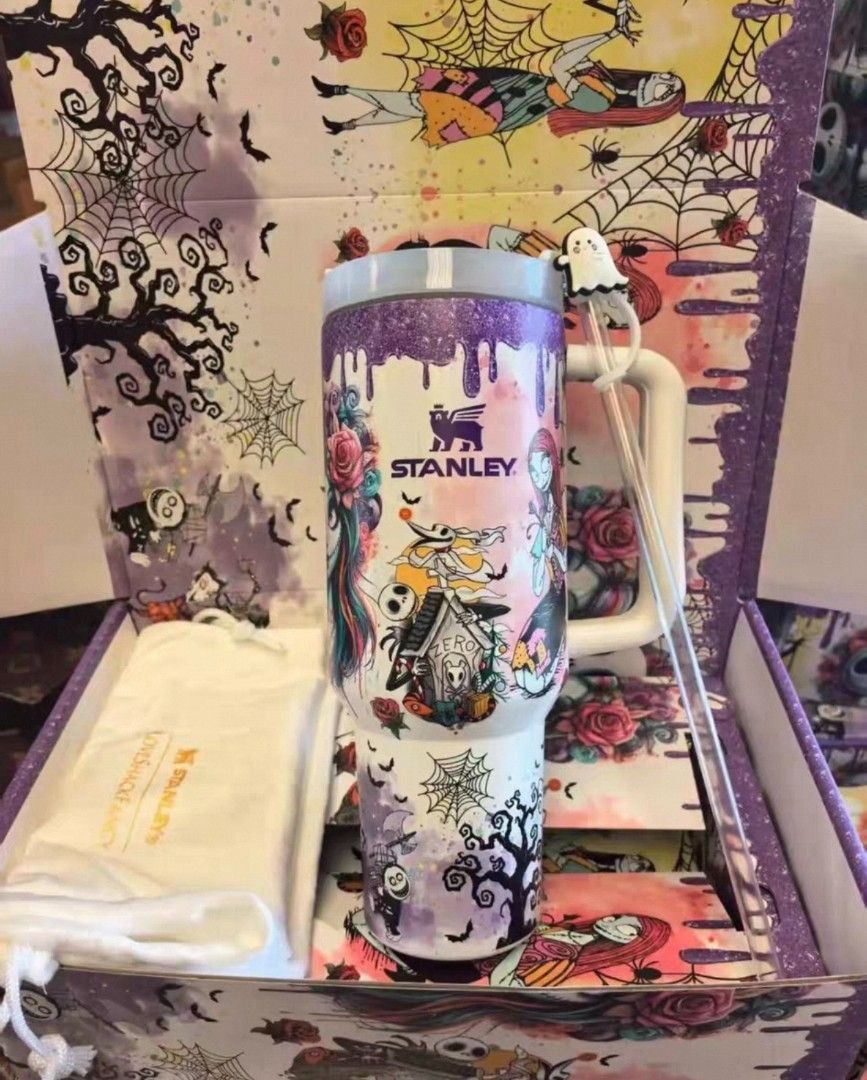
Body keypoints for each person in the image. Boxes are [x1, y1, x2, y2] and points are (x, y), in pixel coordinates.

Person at [314, 0, 684, 147]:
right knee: (419, 105)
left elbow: (559, 64)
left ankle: (343, 92)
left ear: (649, 106)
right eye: (669, 77)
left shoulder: (602, 101)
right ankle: (347, 121)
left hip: (505, 104)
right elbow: (566, 56)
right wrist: (611, 33)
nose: (663, 81)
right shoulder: (607, 85)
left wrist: (611, 33)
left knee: (420, 103)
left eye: (668, 90)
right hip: (513, 88)